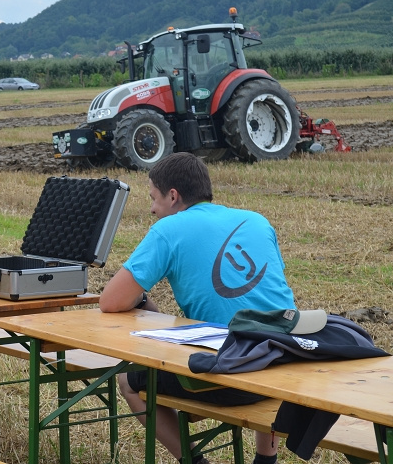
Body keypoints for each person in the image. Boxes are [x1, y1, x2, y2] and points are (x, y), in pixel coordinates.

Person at [100, 152, 295, 464]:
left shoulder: (169, 229)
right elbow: (267, 301)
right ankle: (265, 459)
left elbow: (110, 302)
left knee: (129, 381)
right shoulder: (257, 221)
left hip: (234, 378)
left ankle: (194, 461)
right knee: (261, 335)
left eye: (153, 198)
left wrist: (139, 298)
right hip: (289, 366)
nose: (152, 209)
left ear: (173, 196)